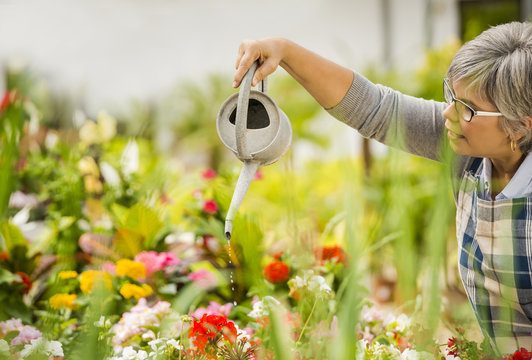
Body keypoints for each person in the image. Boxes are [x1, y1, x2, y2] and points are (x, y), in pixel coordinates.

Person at [232, 22, 532, 353]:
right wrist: (283, 49)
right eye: (451, 95)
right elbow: (376, 109)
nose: (448, 113)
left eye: (468, 108)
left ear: (519, 126)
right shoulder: (471, 158)